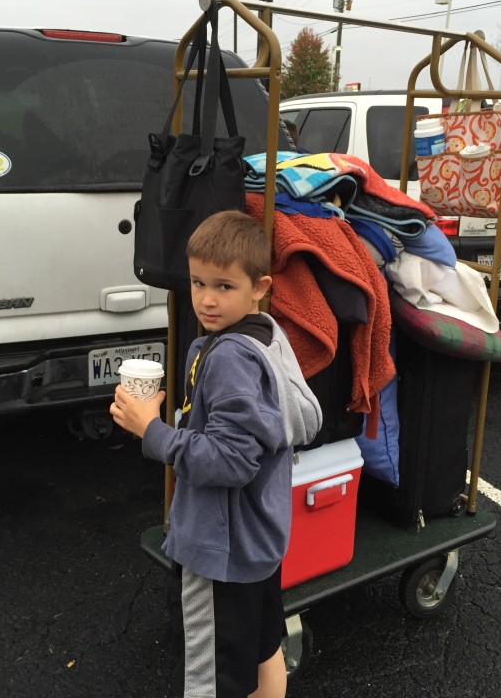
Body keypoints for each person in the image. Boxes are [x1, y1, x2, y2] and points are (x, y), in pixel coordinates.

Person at [110, 209, 323, 698]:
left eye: (224, 286)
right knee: (264, 649)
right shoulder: (265, 335)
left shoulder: (228, 356)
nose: (206, 299)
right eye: (197, 282)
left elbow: (229, 460)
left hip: (221, 550)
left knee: (214, 681)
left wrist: (152, 430)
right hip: (258, 541)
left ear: (260, 286)